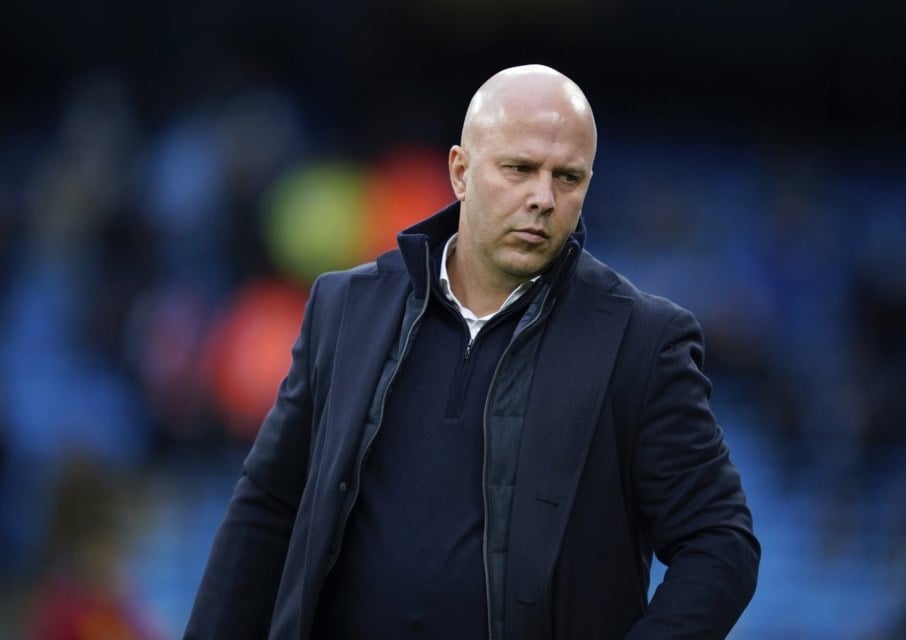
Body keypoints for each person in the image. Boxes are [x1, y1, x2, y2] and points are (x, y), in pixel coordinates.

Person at [185, 64, 760, 640]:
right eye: (519, 169)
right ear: (460, 172)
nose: (543, 198)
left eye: (568, 177)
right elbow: (267, 507)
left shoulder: (641, 339)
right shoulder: (347, 308)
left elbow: (720, 543)